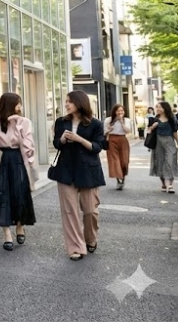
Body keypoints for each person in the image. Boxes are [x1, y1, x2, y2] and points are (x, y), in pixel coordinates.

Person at [49, 90, 105, 261]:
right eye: (66, 101)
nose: (66, 104)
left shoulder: (95, 124)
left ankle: (90, 239)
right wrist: (63, 140)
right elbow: (56, 143)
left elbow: (98, 147)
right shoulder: (61, 122)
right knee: (69, 211)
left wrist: (79, 139)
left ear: (80, 103)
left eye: (70, 101)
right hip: (65, 170)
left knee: (90, 211)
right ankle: (75, 247)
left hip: (88, 171)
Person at [0, 93, 36, 251]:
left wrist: (17, 127)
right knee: (1, 195)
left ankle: (20, 225)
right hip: (0, 160)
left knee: (19, 194)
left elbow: (29, 146)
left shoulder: (24, 122)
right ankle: (6, 234)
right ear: (9, 105)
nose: (20, 107)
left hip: (17, 159)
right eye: (18, 104)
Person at [148, 102, 178, 193]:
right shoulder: (154, 119)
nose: (158, 109)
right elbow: (149, 131)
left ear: (165, 108)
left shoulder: (172, 118)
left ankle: (170, 185)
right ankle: (163, 183)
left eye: (160, 107)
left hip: (169, 142)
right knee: (160, 162)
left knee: (170, 162)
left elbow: (174, 132)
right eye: (157, 107)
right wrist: (152, 127)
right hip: (158, 143)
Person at [104, 104, 134, 190]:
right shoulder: (108, 120)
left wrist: (122, 123)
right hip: (112, 140)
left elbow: (128, 131)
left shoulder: (127, 120)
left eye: (122, 111)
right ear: (114, 111)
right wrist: (109, 130)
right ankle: (118, 180)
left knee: (124, 161)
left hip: (123, 140)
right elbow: (104, 132)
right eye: (118, 111)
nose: (120, 112)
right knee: (115, 160)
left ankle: (122, 178)